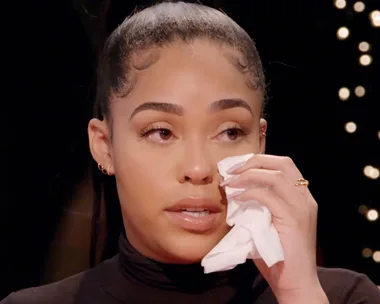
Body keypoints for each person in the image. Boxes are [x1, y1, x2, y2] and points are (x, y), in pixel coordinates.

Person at [2, 1, 380, 303]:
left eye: (230, 132)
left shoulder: (346, 297)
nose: (199, 168)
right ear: (105, 146)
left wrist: (299, 294)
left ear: (260, 145)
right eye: (161, 132)